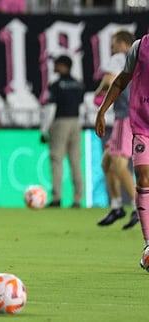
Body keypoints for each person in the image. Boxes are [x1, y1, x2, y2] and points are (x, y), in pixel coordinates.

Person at [95, 33, 149, 271]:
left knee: (114, 164)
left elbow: (112, 78)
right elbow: (120, 80)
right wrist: (102, 109)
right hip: (142, 124)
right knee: (140, 174)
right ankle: (148, 243)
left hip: (129, 120)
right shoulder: (139, 47)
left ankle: (120, 206)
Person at [94, 30, 139, 229]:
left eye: (114, 43)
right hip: (138, 114)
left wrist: (98, 93)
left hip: (125, 116)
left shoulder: (120, 57)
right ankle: (117, 206)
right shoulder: (141, 57)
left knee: (119, 165)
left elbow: (110, 80)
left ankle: (139, 209)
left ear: (122, 43)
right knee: (107, 162)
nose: (112, 47)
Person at [41, 55, 84, 208]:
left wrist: (44, 130)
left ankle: (57, 198)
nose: (55, 67)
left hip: (60, 122)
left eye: (57, 64)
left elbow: (50, 108)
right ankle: (78, 199)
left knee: (56, 160)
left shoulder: (56, 85)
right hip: (76, 122)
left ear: (64, 66)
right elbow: (81, 105)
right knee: (75, 162)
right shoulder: (78, 84)